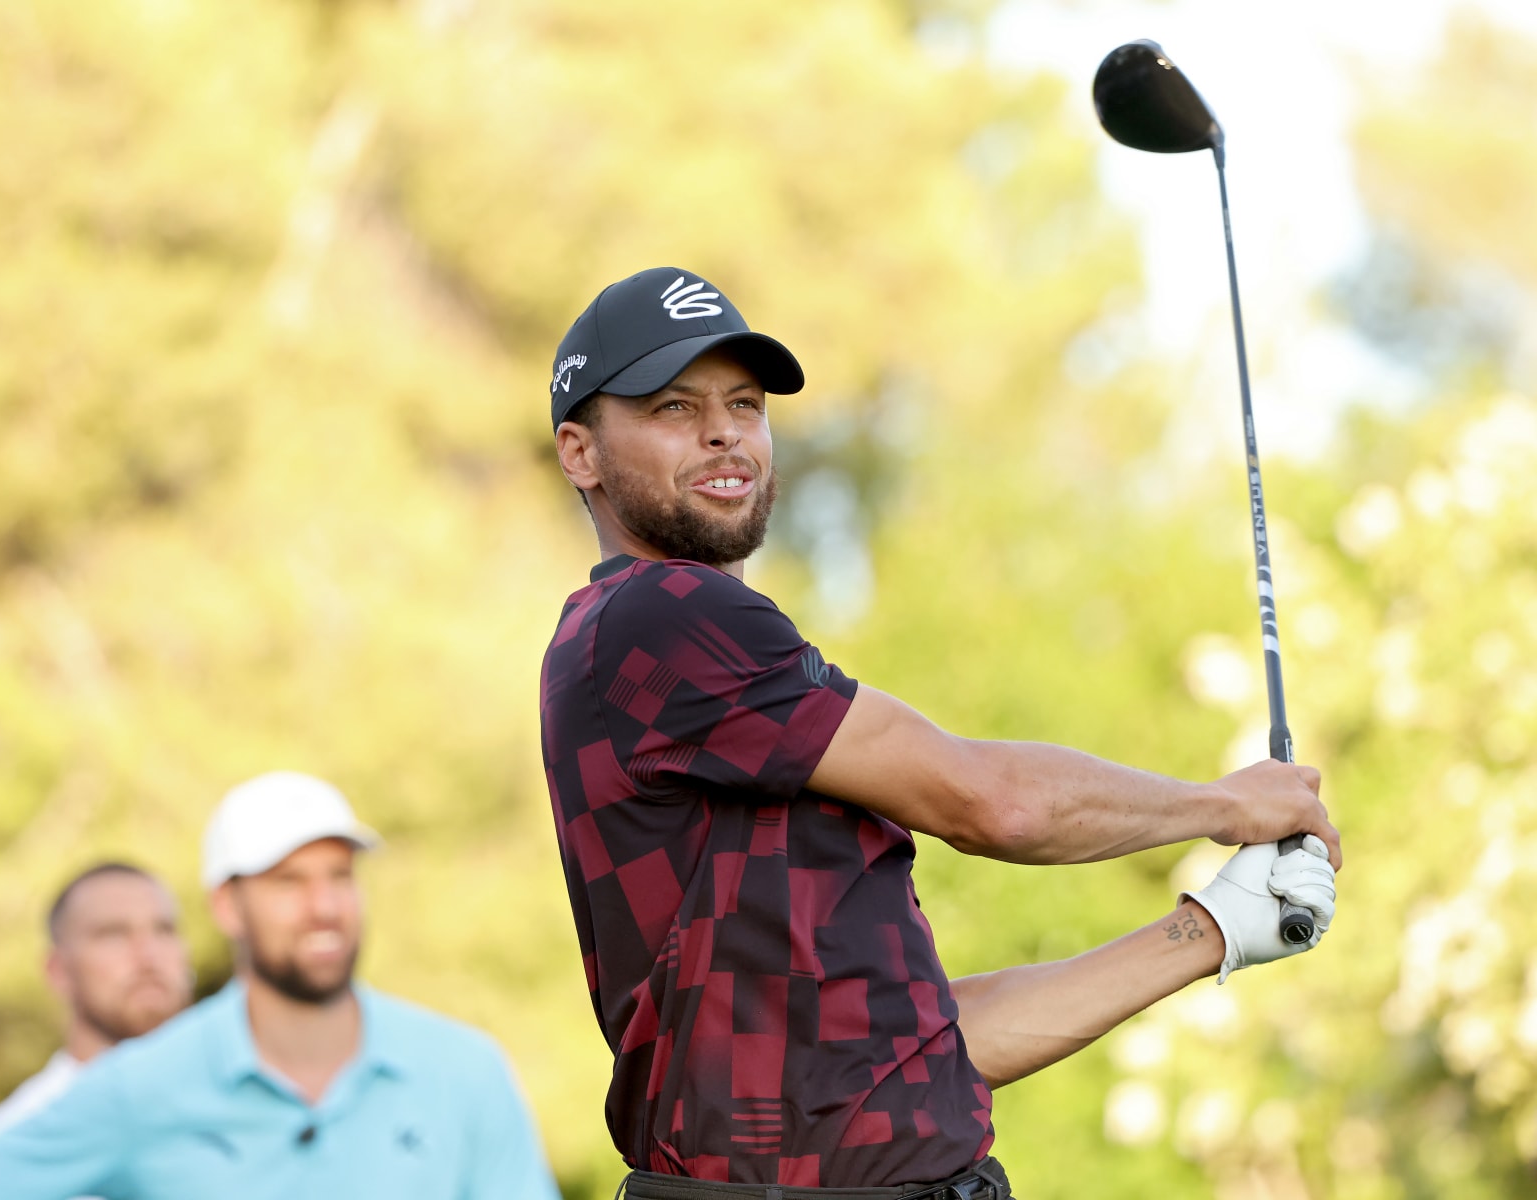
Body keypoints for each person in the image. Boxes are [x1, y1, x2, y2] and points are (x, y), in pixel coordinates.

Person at [539, 267, 1342, 1197]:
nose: (727, 431)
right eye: (675, 406)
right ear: (580, 452)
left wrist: (1213, 930)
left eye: (746, 404)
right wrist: (1226, 806)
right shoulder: (663, 614)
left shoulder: (717, 682)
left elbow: (923, 1055)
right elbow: (990, 803)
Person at [0, 771, 563, 1200]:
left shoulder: (464, 1070)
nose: (324, 907)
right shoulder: (143, 1085)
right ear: (227, 907)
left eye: (339, 877)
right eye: (288, 883)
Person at [0, 862, 194, 1200]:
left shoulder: (246, 1103)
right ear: (58, 971)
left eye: (164, 930)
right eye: (113, 934)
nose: (148, 956)